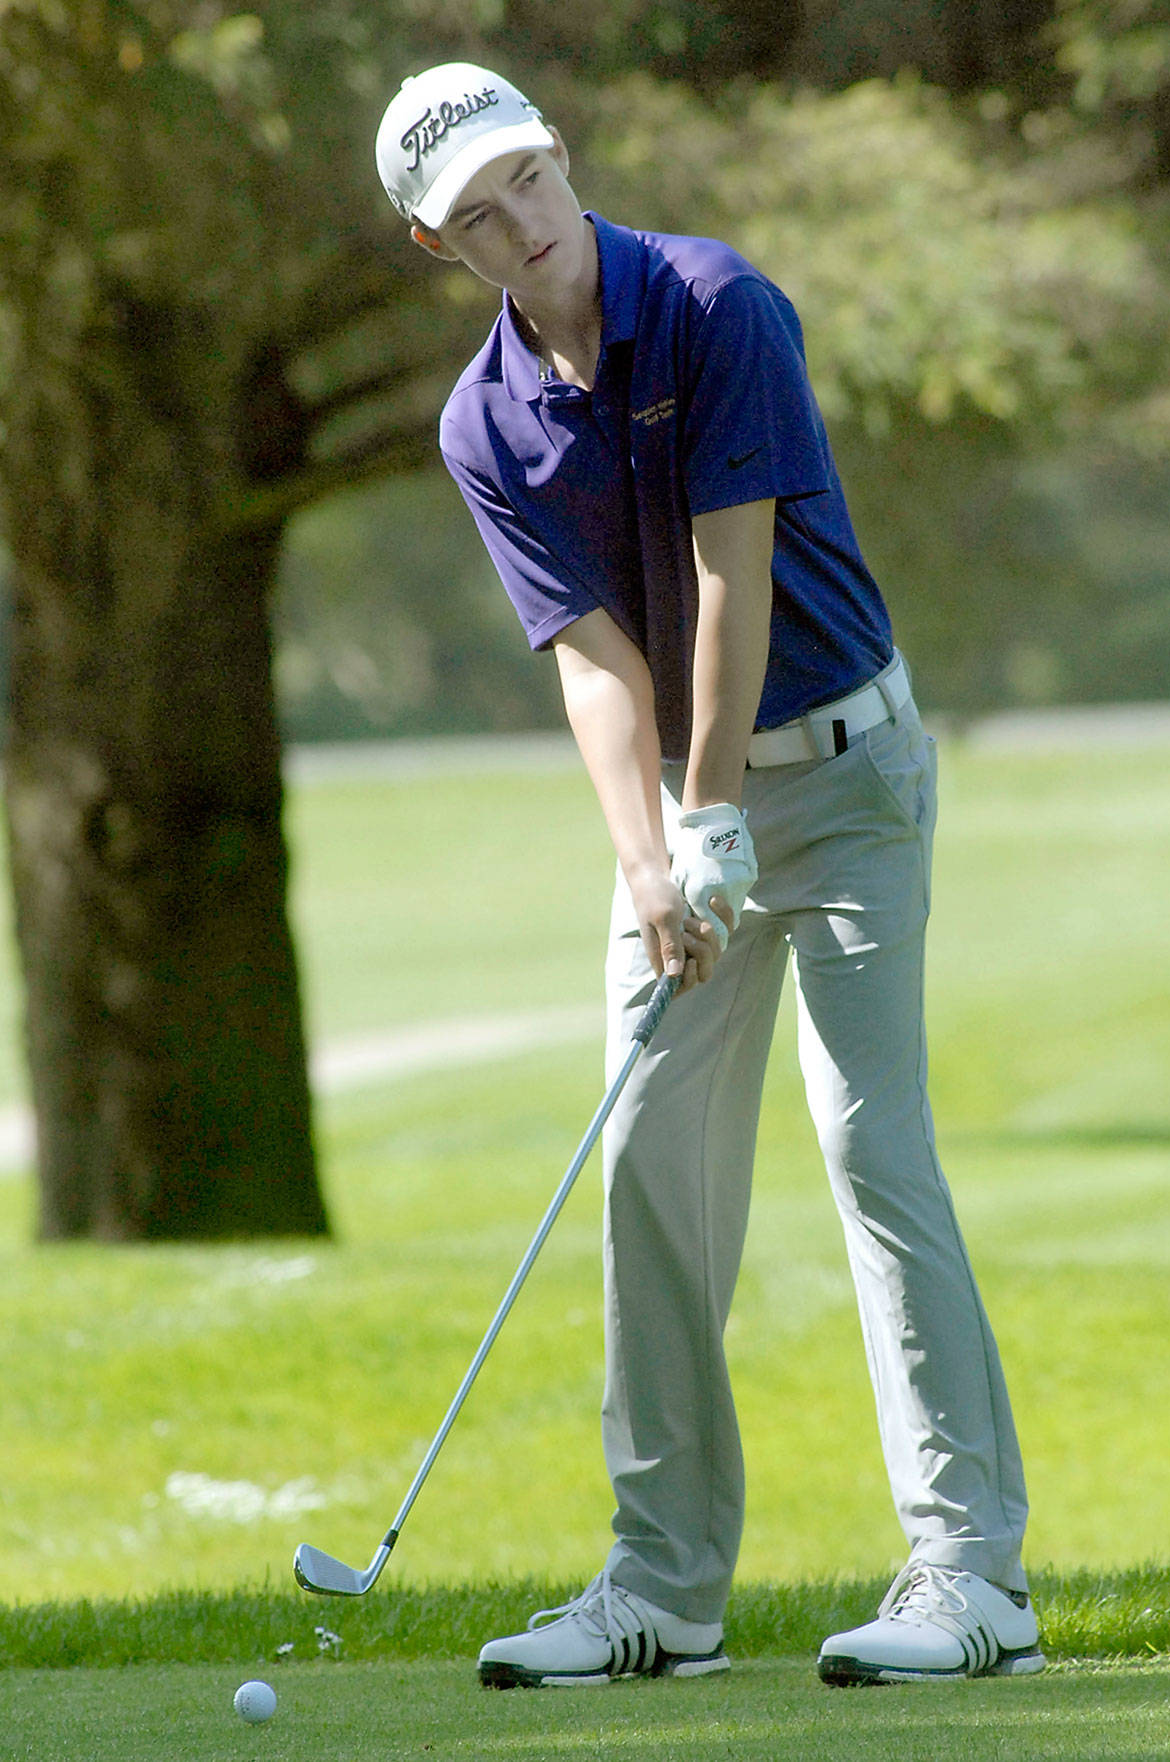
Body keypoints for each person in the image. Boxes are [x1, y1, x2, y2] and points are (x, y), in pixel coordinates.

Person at [374, 62, 1045, 1691]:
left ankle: (975, 1580)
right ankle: (661, 1586)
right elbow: (597, 661)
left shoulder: (717, 302)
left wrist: (713, 806)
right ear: (433, 241)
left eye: (525, 179)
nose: (518, 223)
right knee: (647, 1173)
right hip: (691, 815)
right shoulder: (486, 422)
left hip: (845, 772)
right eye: (476, 213)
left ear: (558, 155)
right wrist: (654, 859)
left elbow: (723, 572)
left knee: (872, 1147)